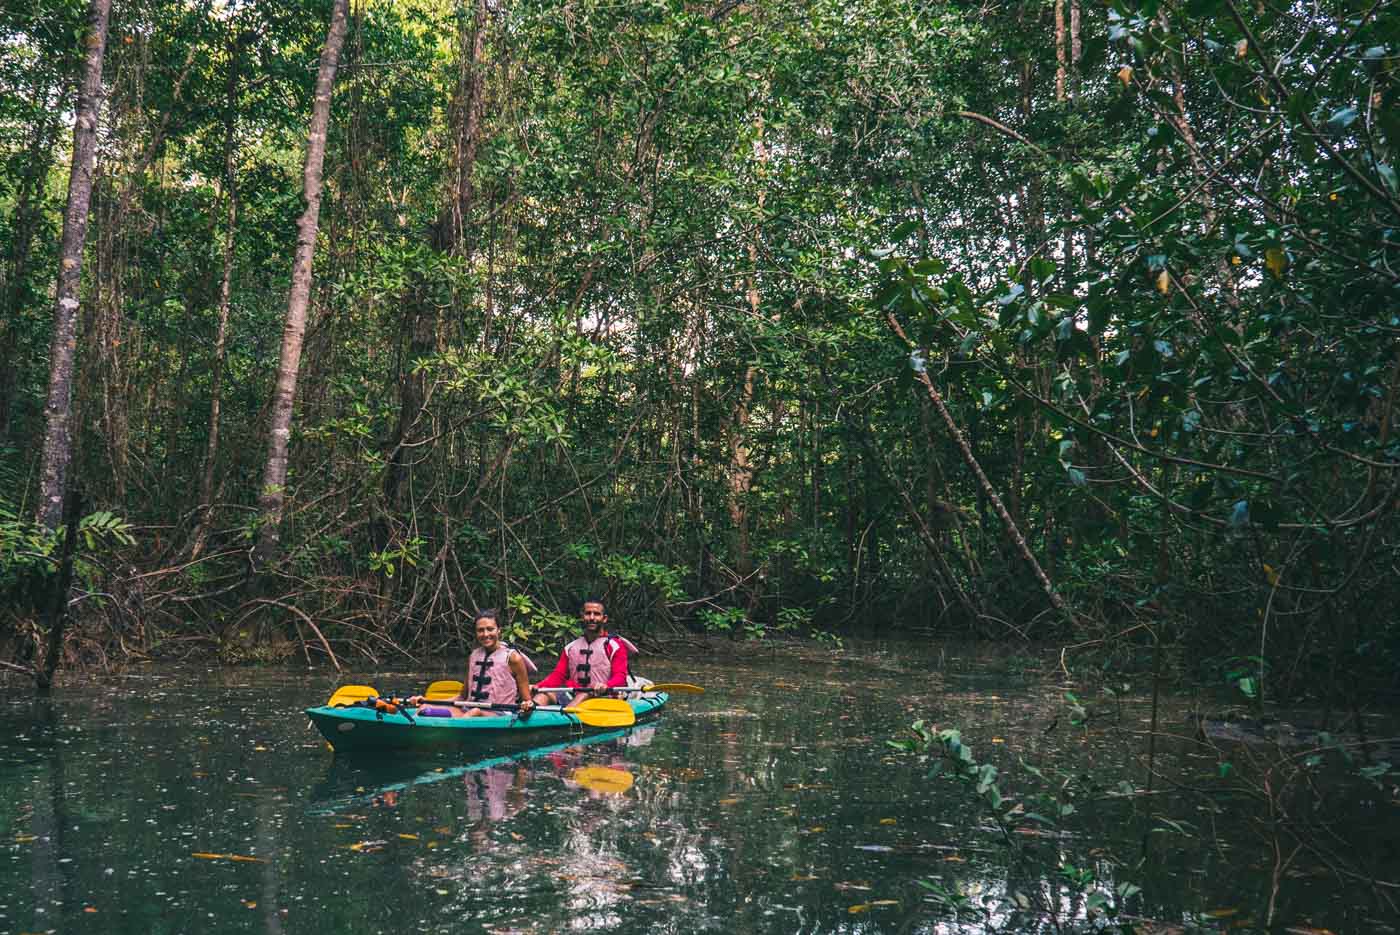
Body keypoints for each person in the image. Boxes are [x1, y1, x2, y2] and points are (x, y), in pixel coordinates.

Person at [411, 610, 536, 718]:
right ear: (476, 633)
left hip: (501, 713)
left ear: (499, 631)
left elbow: (527, 701)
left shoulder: (513, 658)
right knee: (425, 706)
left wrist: (526, 706)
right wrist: (427, 701)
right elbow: (462, 697)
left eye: (490, 629)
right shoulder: (474, 656)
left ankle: (450, 736)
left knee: (475, 712)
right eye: (480, 630)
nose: (486, 634)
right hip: (469, 709)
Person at [532, 598, 638, 707]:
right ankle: (529, 715)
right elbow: (558, 675)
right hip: (573, 694)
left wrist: (606, 685)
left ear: (604, 618)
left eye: (596, 614)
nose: (592, 618)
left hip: (603, 696)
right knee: (543, 693)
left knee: (584, 694)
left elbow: (620, 677)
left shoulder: (615, 646)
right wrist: (539, 686)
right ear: (582, 617)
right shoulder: (571, 647)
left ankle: (569, 718)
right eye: (588, 613)